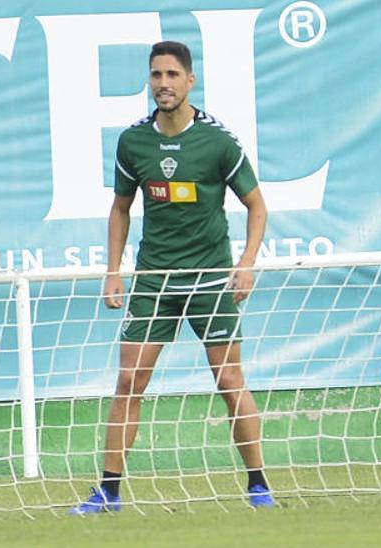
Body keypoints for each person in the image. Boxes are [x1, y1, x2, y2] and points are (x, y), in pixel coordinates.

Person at [69, 40, 273, 514]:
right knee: (128, 382)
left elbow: (257, 206)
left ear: (190, 81)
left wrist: (245, 264)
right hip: (155, 280)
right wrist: (113, 272)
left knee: (228, 379)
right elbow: (120, 209)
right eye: (156, 75)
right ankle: (109, 492)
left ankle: (259, 485)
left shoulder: (218, 141)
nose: (163, 84)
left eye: (172, 75)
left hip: (209, 278)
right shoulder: (133, 141)